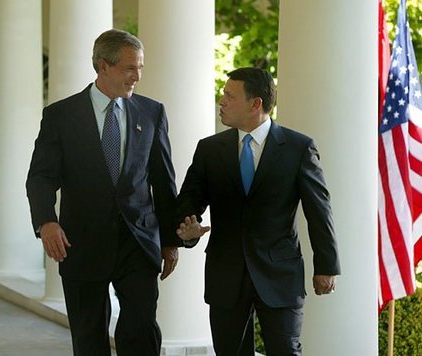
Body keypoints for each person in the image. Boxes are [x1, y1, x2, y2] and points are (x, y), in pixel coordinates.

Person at [26, 29, 182, 356]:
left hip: (138, 245)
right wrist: (46, 222)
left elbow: (164, 182)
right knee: (89, 338)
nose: (137, 76)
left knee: (141, 331)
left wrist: (169, 240)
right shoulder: (61, 116)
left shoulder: (151, 113)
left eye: (140, 68)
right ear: (103, 66)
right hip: (81, 244)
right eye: (129, 68)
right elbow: (41, 177)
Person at [176, 67, 341, 355]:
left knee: (285, 350)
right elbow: (189, 201)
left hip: (280, 273)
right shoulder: (209, 149)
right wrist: (187, 231)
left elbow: (319, 210)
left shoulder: (298, 148)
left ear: (256, 104)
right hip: (225, 273)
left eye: (230, 95)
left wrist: (326, 266)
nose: (222, 101)